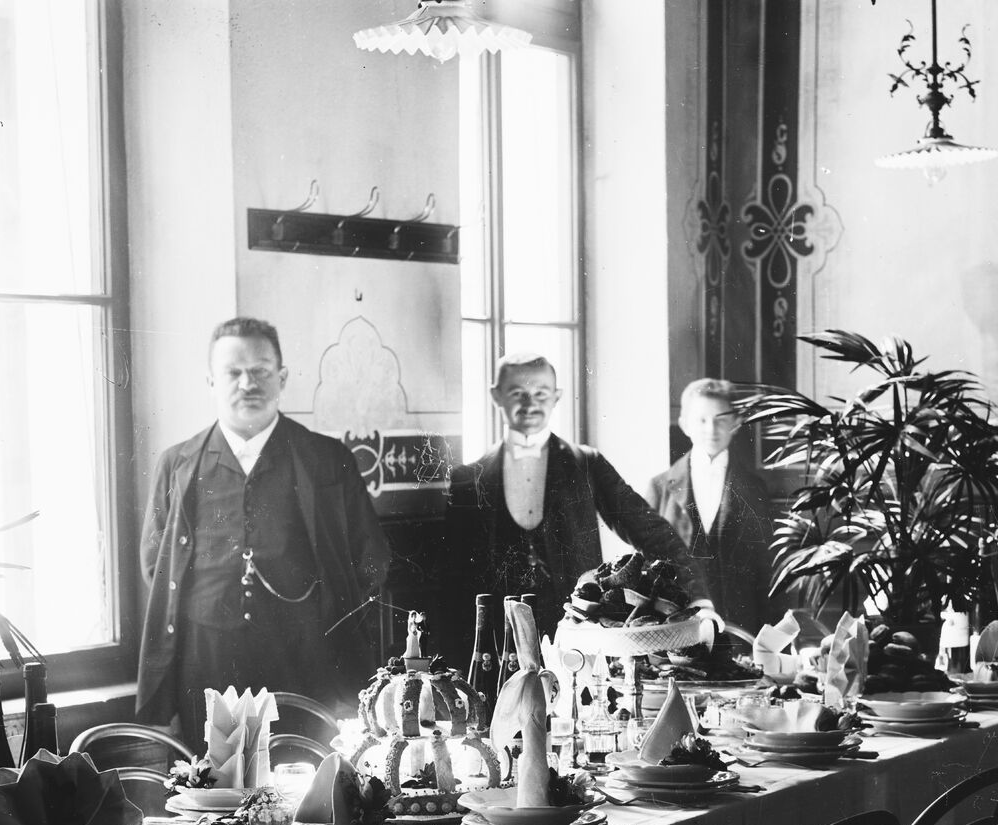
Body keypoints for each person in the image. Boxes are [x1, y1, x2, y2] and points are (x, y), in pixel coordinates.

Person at [136, 317, 392, 739]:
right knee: (211, 774)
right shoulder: (177, 464)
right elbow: (155, 565)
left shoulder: (328, 460)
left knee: (302, 769)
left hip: (304, 661)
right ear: (211, 381)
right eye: (233, 373)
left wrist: (318, 615)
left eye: (260, 371)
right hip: (205, 663)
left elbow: (371, 561)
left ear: (282, 378)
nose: (247, 384)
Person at [440, 354, 716, 655]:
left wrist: (699, 600)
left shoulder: (586, 463)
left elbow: (651, 532)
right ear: (496, 396)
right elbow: (453, 580)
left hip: (577, 632)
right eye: (517, 393)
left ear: (556, 397)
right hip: (498, 640)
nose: (530, 404)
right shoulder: (468, 478)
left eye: (541, 393)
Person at [646, 379, 779, 637]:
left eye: (721, 419)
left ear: (736, 423)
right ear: (685, 424)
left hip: (740, 628)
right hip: (677, 629)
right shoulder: (660, 488)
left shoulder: (754, 488)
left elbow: (766, 570)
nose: (711, 429)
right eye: (701, 420)